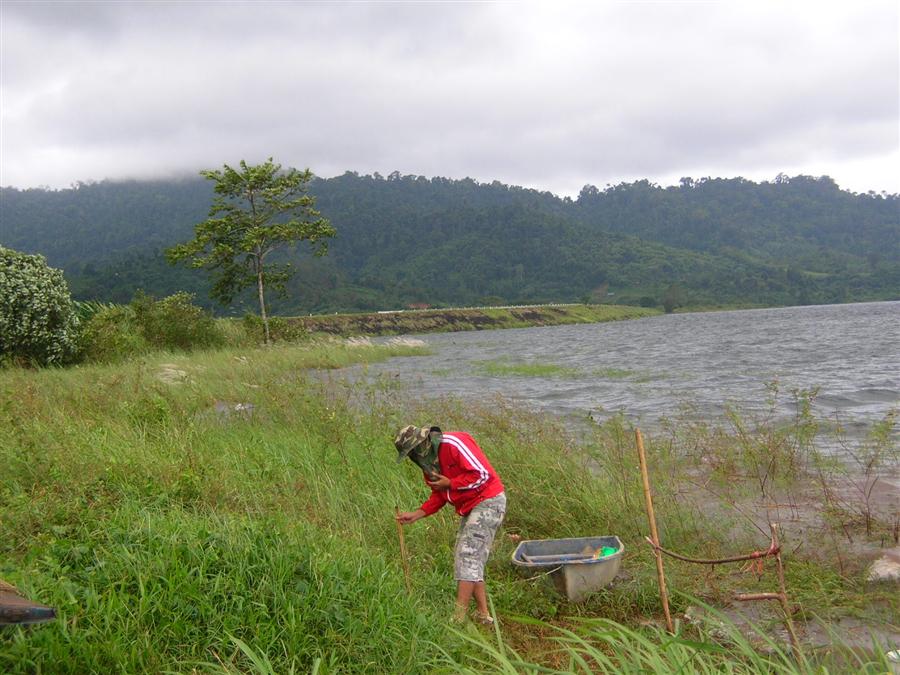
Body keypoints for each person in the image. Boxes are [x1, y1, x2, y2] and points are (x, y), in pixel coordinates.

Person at [394, 424, 506, 625]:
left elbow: (482, 475)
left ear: (424, 441)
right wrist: (418, 514)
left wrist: (451, 483)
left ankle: (458, 617)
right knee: (468, 558)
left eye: (414, 451)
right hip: (470, 506)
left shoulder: (454, 443)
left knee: (468, 556)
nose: (414, 457)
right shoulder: (428, 465)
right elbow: (440, 494)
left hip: (489, 500)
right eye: (410, 454)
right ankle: (483, 615)